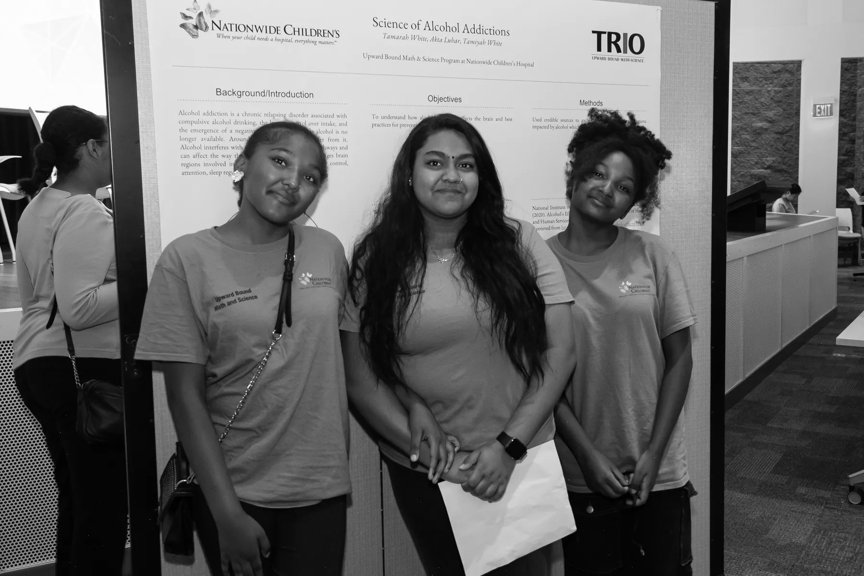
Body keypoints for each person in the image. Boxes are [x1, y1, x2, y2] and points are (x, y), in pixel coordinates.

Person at [343, 113, 575, 576]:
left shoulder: (520, 241)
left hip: (519, 459)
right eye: (435, 162)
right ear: (409, 175)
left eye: (466, 165)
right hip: (427, 470)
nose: (451, 175)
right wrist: (428, 445)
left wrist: (507, 447)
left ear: (480, 178)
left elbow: (560, 351)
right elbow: (361, 374)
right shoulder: (376, 256)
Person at [135, 121, 350, 576]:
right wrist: (226, 512)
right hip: (235, 489)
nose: (294, 181)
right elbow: (183, 396)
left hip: (321, 487)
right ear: (240, 166)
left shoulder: (327, 249)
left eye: (311, 177)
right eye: (280, 160)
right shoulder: (186, 258)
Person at [548, 108, 696, 576]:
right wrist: (587, 457)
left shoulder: (654, 256)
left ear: (634, 202)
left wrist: (654, 454)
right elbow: (537, 374)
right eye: (597, 173)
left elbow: (681, 358)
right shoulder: (536, 264)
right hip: (580, 470)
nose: (607, 189)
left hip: (659, 468)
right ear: (574, 175)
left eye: (624, 186)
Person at [13, 105, 126, 575]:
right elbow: (78, 308)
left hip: (38, 364)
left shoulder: (38, 206)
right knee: (101, 510)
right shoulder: (83, 209)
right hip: (80, 370)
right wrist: (143, 279)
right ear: (92, 148)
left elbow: (37, 299)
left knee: (80, 504)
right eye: (110, 143)